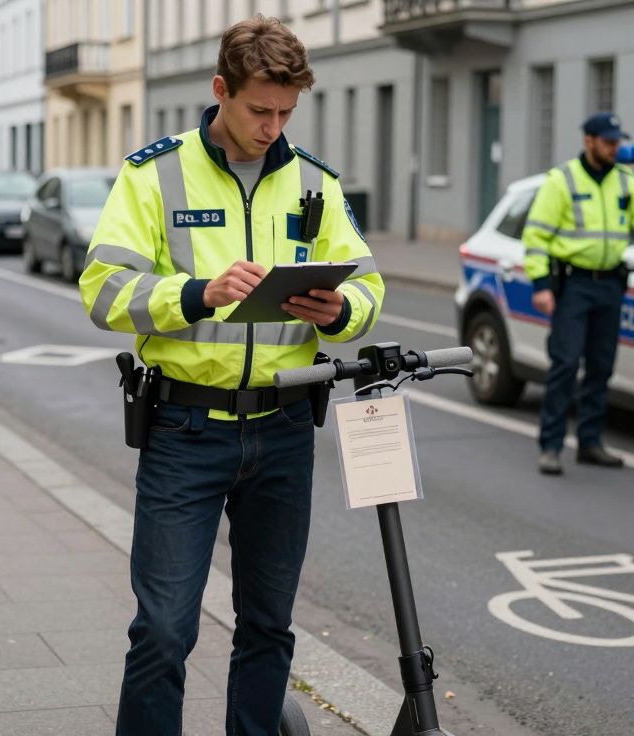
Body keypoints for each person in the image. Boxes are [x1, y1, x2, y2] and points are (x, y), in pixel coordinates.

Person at [79, 16, 384, 736]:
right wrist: (197, 294)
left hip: (283, 431)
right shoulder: (153, 174)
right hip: (184, 429)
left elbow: (371, 290)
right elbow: (101, 290)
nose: (273, 127)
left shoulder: (314, 181)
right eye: (259, 110)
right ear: (221, 90)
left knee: (270, 627)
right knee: (162, 630)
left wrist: (340, 311)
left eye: (286, 112)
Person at [523, 113, 634, 476]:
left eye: (618, 142)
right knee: (566, 365)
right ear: (589, 141)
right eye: (609, 142)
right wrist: (540, 286)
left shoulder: (625, 182)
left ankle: (590, 443)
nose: (616, 148)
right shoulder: (562, 181)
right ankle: (550, 447)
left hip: (611, 285)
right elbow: (536, 235)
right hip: (574, 285)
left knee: (601, 367)